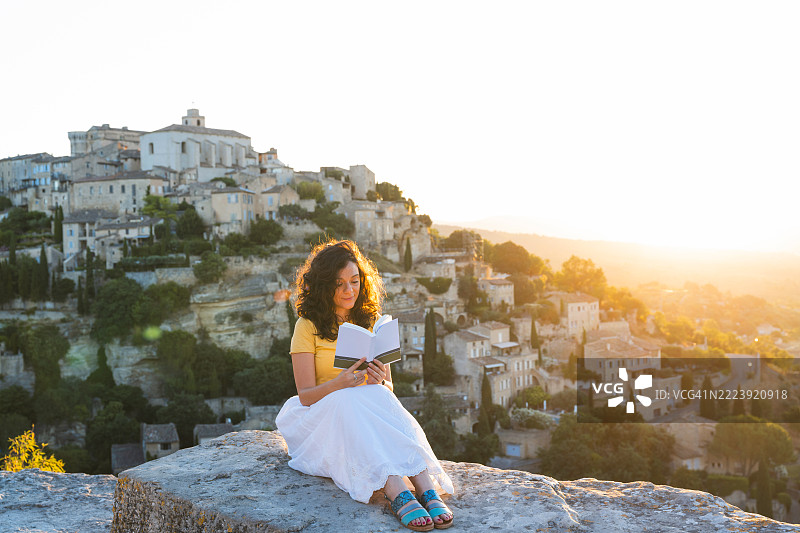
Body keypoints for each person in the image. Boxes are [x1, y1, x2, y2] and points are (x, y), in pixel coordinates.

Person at [276, 240, 455, 531]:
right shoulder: (306, 325)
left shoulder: (369, 320)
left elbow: (388, 392)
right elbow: (305, 396)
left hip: (361, 410)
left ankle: (423, 484)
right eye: (339, 284)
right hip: (318, 418)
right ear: (323, 286)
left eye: (355, 281)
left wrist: (381, 377)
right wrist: (340, 382)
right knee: (348, 399)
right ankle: (395, 487)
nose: (349, 291)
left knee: (378, 395)